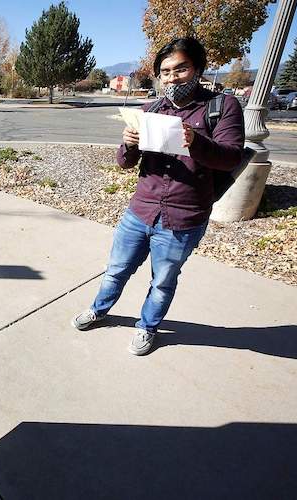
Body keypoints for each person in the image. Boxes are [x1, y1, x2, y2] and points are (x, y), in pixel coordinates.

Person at [71, 37, 245, 355]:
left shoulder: (222, 107)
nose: (171, 78)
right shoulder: (149, 109)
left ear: (198, 69)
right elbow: (125, 163)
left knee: (163, 281)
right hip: (139, 212)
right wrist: (128, 143)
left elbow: (231, 156)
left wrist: (196, 141)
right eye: (164, 72)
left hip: (183, 219)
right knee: (116, 270)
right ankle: (99, 309)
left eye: (180, 69)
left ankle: (147, 327)